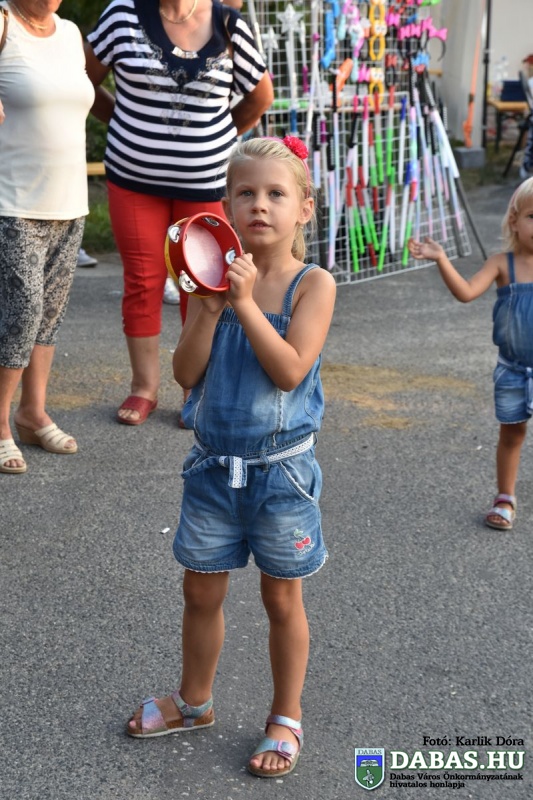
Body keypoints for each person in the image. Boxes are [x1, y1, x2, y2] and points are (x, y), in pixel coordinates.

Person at [125, 137, 336, 778]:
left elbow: (290, 371)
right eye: (245, 193)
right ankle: (195, 702)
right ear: (227, 206)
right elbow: (186, 373)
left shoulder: (312, 285)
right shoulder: (212, 278)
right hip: (214, 470)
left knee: (282, 600)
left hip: (282, 475)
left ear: (304, 208)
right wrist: (210, 308)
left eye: (276, 194)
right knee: (199, 591)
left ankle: (286, 717)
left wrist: (243, 305)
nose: (259, 205)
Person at [84, 0, 273, 426]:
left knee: (203, 286)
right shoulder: (122, 15)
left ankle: (195, 388)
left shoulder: (228, 23)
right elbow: (83, 82)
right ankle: (143, 387)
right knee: (142, 281)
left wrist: (217, 135)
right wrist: (123, 122)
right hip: (133, 180)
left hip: (206, 184)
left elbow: (260, 97)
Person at [0, 0, 95, 474]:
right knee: (21, 313)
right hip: (13, 200)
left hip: (69, 201)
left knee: (49, 316)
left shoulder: (70, 33)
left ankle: (32, 413)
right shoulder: (2, 24)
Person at [408, 177, 533, 531]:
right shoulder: (502, 264)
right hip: (513, 371)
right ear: (514, 221)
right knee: (512, 435)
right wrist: (441, 258)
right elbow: (465, 292)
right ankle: (505, 498)